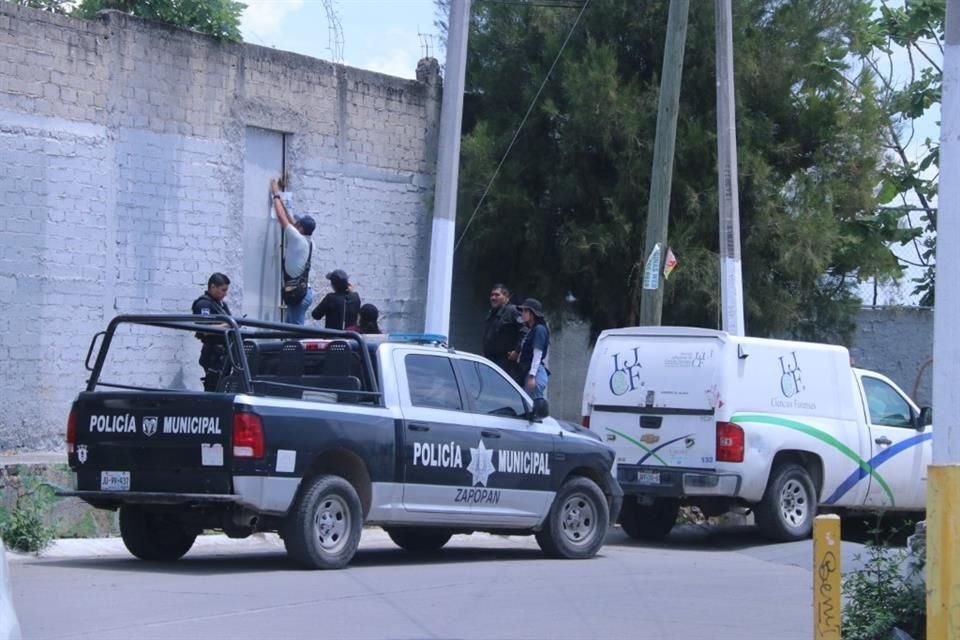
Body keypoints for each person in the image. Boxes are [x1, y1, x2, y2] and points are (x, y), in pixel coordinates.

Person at [270, 179, 316, 325]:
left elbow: (282, 218)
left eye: (298, 224)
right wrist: (283, 201)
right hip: (302, 291)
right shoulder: (308, 241)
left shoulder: (297, 239)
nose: (295, 224)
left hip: (298, 293)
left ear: (301, 228)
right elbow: (291, 221)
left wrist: (275, 193)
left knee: (296, 332)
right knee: (290, 327)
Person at [191, 272, 232, 392]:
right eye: (223, 290)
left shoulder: (221, 305)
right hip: (213, 353)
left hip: (225, 352)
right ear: (213, 287)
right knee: (214, 385)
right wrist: (228, 325)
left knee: (223, 385)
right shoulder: (204, 304)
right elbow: (205, 329)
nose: (225, 293)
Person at [483, 283, 522, 378]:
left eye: (497, 295)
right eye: (492, 295)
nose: (493, 298)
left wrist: (517, 351)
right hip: (490, 360)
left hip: (506, 362)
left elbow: (524, 331)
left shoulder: (513, 311)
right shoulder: (491, 313)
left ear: (506, 297)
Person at [516, 298, 550, 400]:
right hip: (528, 371)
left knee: (535, 408)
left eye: (526, 311)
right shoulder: (531, 330)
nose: (523, 313)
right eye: (522, 311)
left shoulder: (539, 329)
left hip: (534, 373)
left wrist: (532, 376)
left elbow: (537, 354)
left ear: (533, 314)